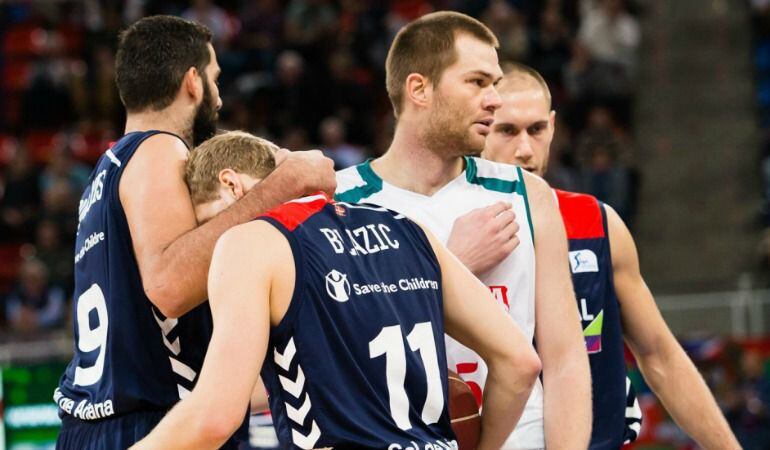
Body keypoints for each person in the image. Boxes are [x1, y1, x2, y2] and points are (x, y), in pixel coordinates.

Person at [132, 131, 541, 450]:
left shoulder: (249, 242)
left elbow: (214, 418)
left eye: (206, 223)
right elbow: (520, 362)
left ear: (232, 185)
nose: (210, 242)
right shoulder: (409, 229)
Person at [54, 16, 335, 450]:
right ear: (192, 81)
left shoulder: (105, 173)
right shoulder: (157, 148)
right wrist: (288, 181)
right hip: (151, 425)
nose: (219, 98)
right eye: (215, 79)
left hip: (104, 423)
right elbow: (168, 284)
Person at [335, 11, 591, 450]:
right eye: (477, 82)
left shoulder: (529, 195)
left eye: (494, 83)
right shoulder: (339, 204)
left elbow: (565, 357)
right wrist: (451, 266)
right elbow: (337, 355)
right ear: (419, 89)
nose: (494, 99)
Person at [483, 62, 741, 450]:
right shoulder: (441, 229)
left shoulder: (598, 223)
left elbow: (660, 356)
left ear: (553, 127)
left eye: (536, 130)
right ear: (480, 127)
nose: (524, 149)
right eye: (507, 130)